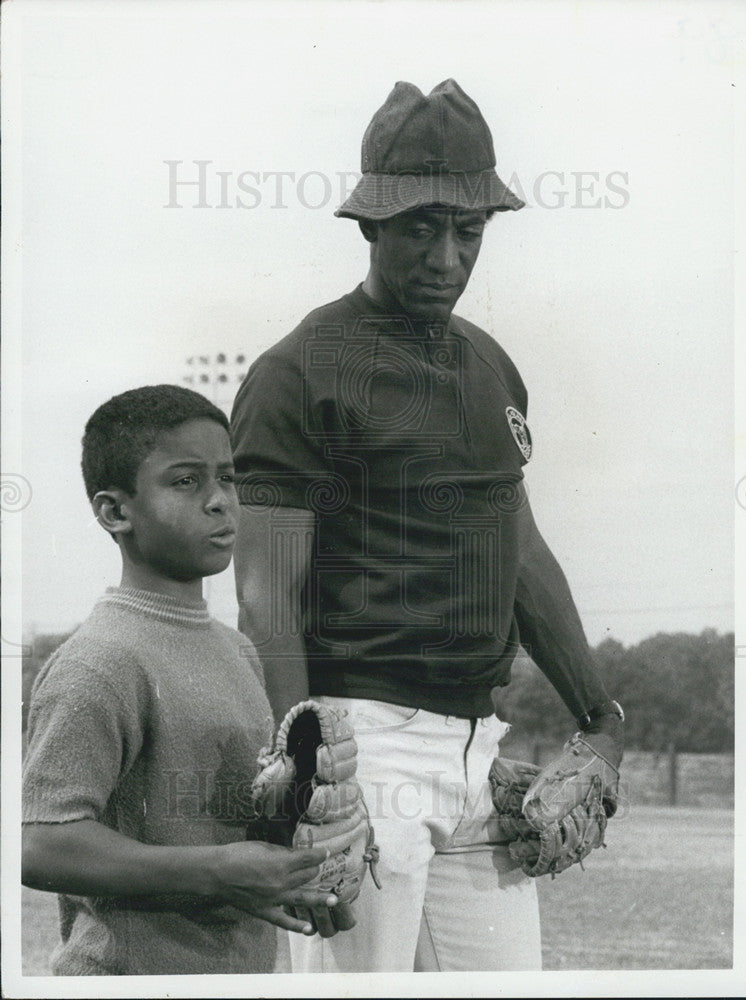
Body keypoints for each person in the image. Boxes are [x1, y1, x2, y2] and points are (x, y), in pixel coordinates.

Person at [230, 79, 624, 973]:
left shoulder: (489, 364)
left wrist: (601, 717)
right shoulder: (300, 370)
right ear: (369, 224)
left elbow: (518, 550)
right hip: (358, 740)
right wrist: (307, 769)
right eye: (420, 228)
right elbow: (265, 594)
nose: (447, 256)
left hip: (478, 746)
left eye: (469, 231)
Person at [21, 384, 339, 976]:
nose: (220, 501)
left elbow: (232, 825)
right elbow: (41, 845)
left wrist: (298, 867)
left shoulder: (239, 651)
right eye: (186, 481)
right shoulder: (101, 661)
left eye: (228, 477)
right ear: (116, 511)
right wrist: (219, 869)